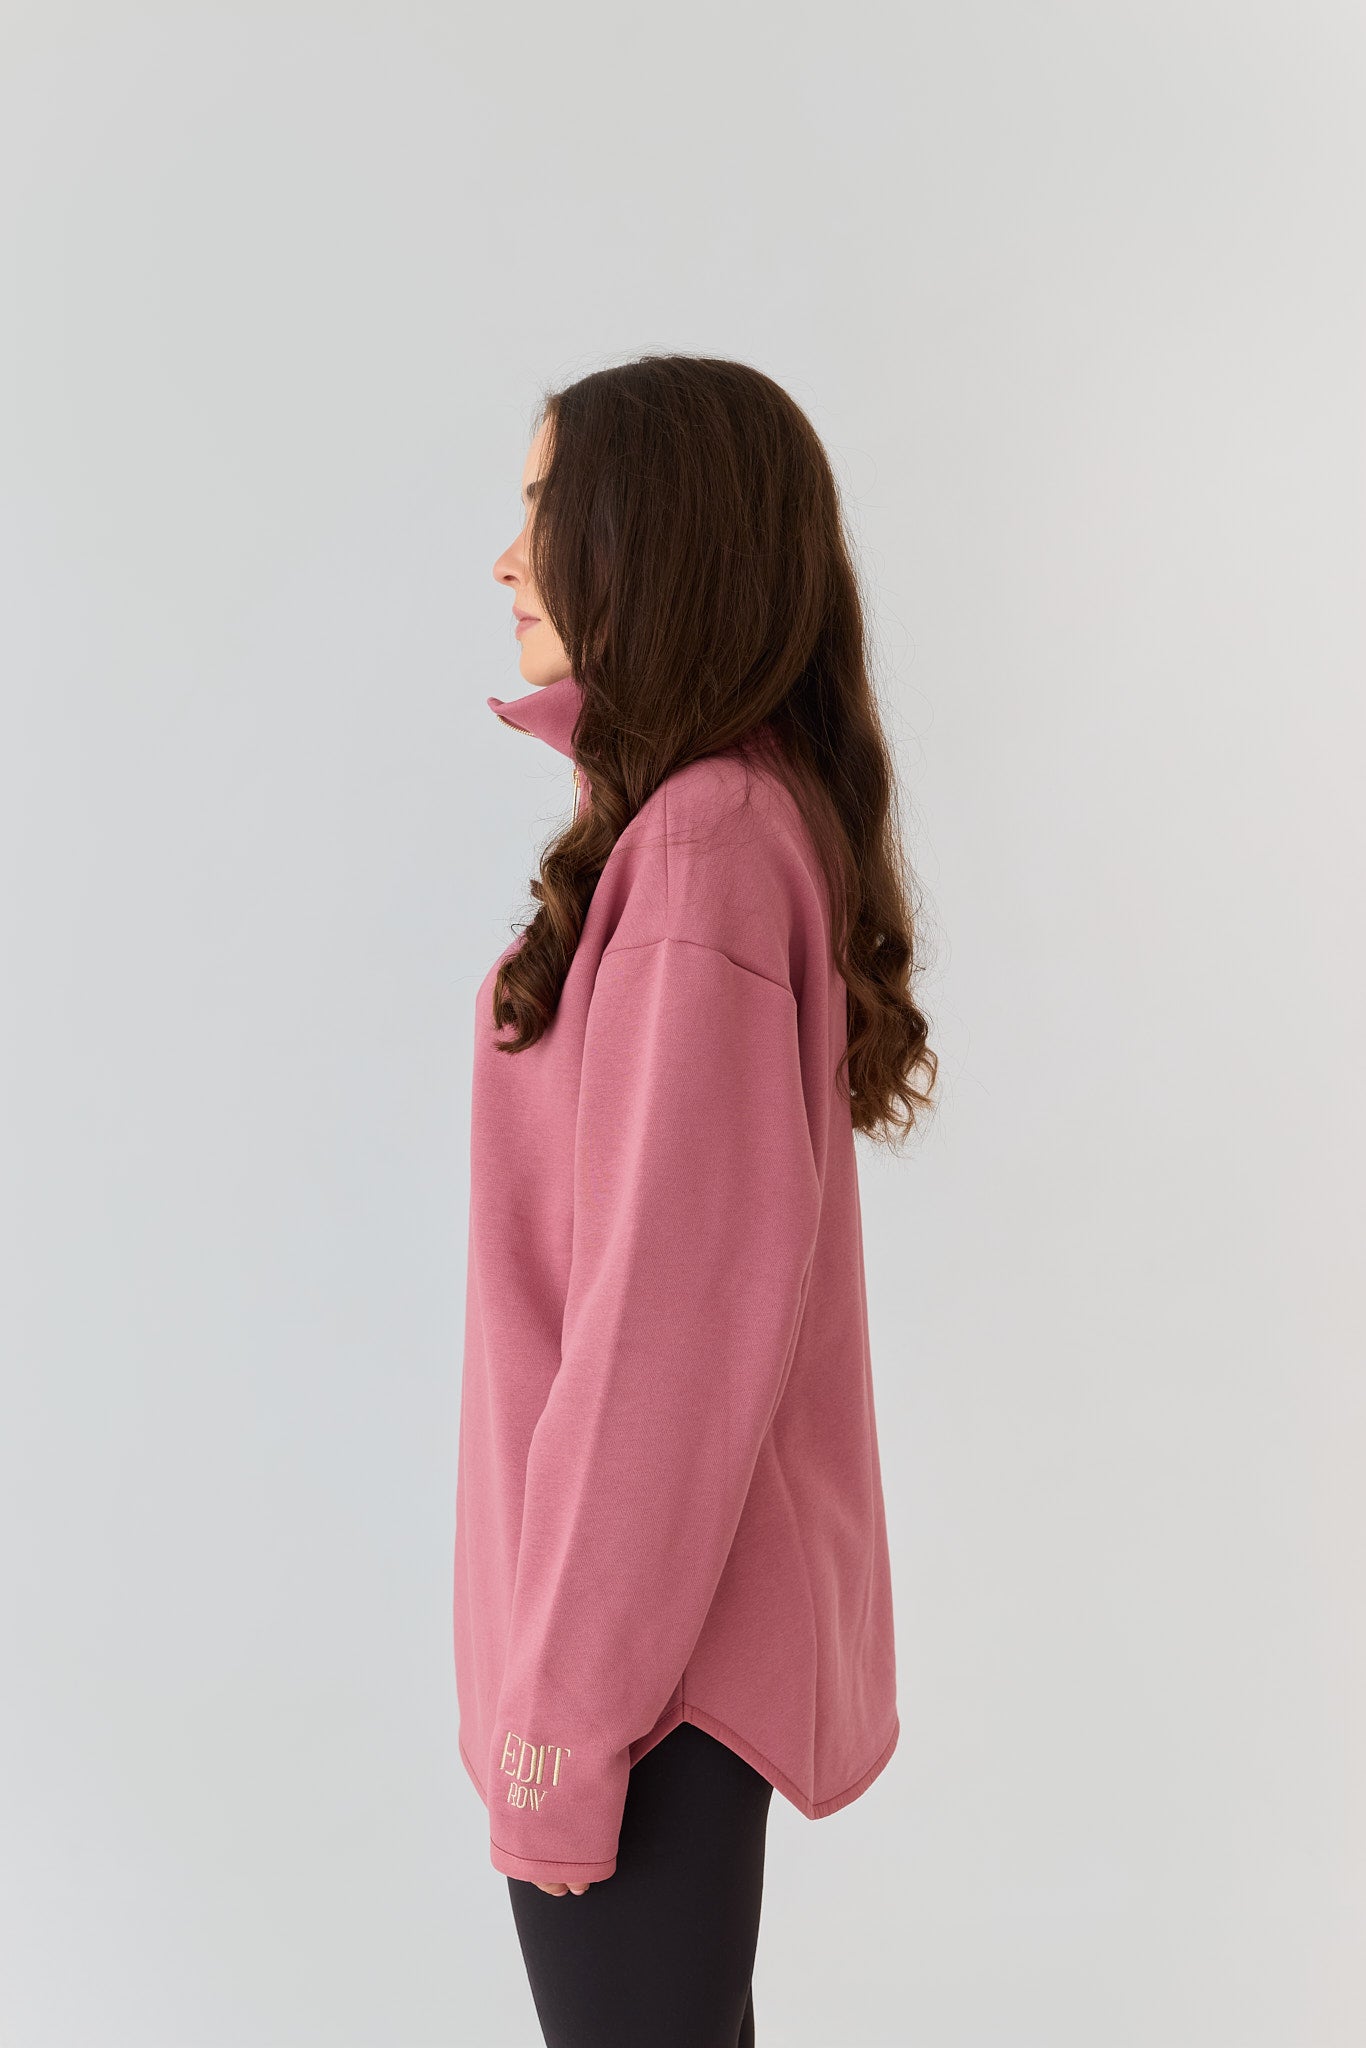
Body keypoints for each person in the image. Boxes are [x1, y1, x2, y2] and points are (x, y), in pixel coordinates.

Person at [453, 353, 937, 2046]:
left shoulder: (700, 849)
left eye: (542, 510)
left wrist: (561, 1730)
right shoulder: (701, 831)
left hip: (636, 1682)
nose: (505, 561)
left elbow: (665, 1343)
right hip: (642, 1663)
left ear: (646, 537)